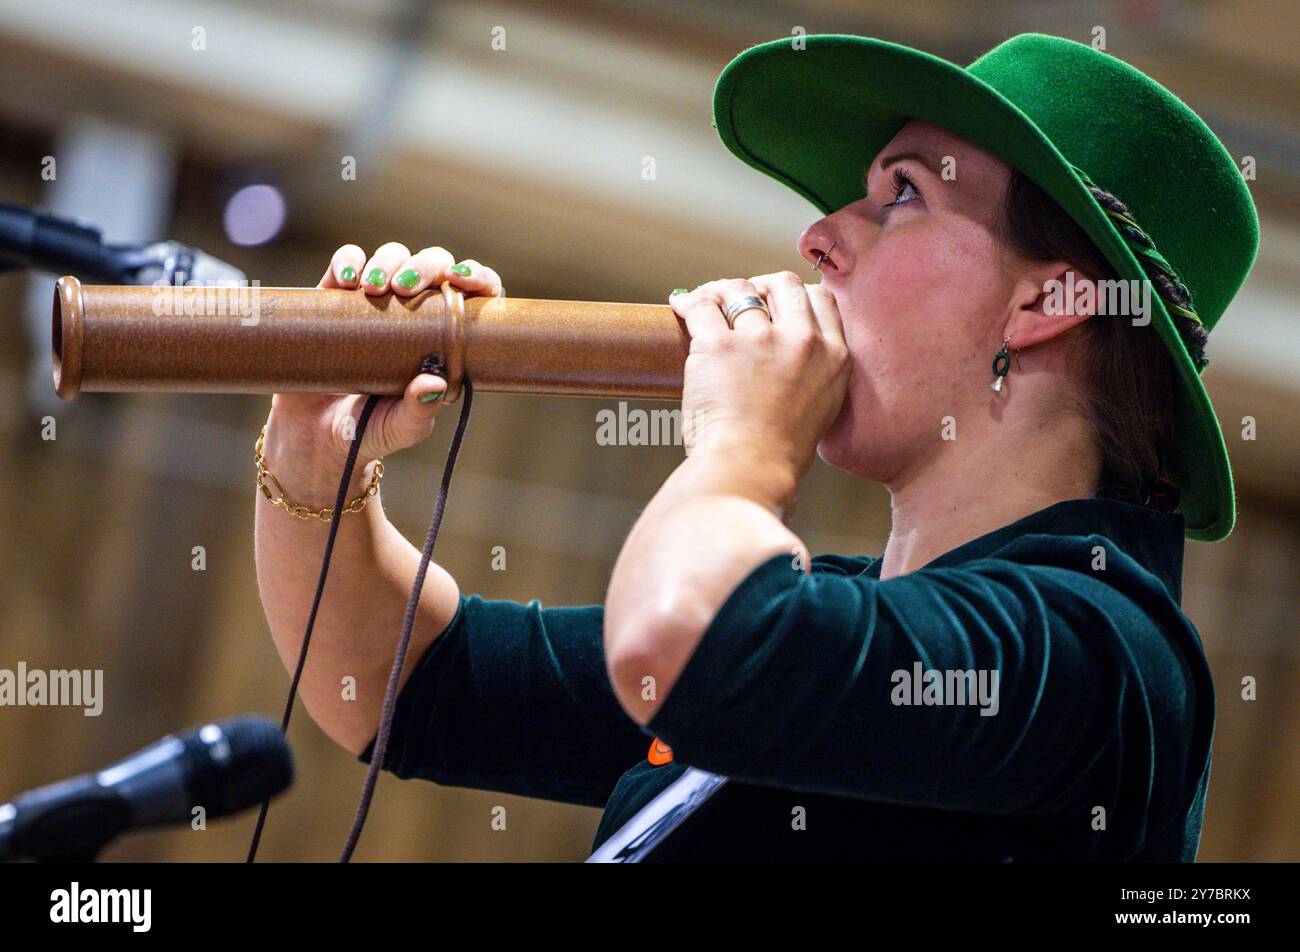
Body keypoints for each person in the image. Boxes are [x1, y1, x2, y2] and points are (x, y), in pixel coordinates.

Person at [253, 33, 1257, 861]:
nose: (820, 235)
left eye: (901, 194)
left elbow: (681, 644)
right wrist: (318, 447)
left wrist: (742, 436)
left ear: (1047, 300)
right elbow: (406, 686)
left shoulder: (1095, 647)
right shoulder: (842, 616)